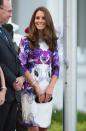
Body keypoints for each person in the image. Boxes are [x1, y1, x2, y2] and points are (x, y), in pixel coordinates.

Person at [18, 6, 60, 131]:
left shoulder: (53, 42)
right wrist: (36, 86)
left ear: (48, 21)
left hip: (47, 91)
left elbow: (56, 67)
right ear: (33, 20)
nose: (40, 21)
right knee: (33, 128)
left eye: (43, 18)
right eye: (37, 18)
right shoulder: (25, 40)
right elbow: (21, 65)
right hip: (30, 91)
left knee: (44, 127)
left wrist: (50, 88)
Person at [0, 0, 25, 131]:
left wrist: (21, 77)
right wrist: (13, 80)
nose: (11, 15)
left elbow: (16, 58)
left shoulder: (4, 31)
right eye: (9, 11)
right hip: (2, 94)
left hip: (13, 95)